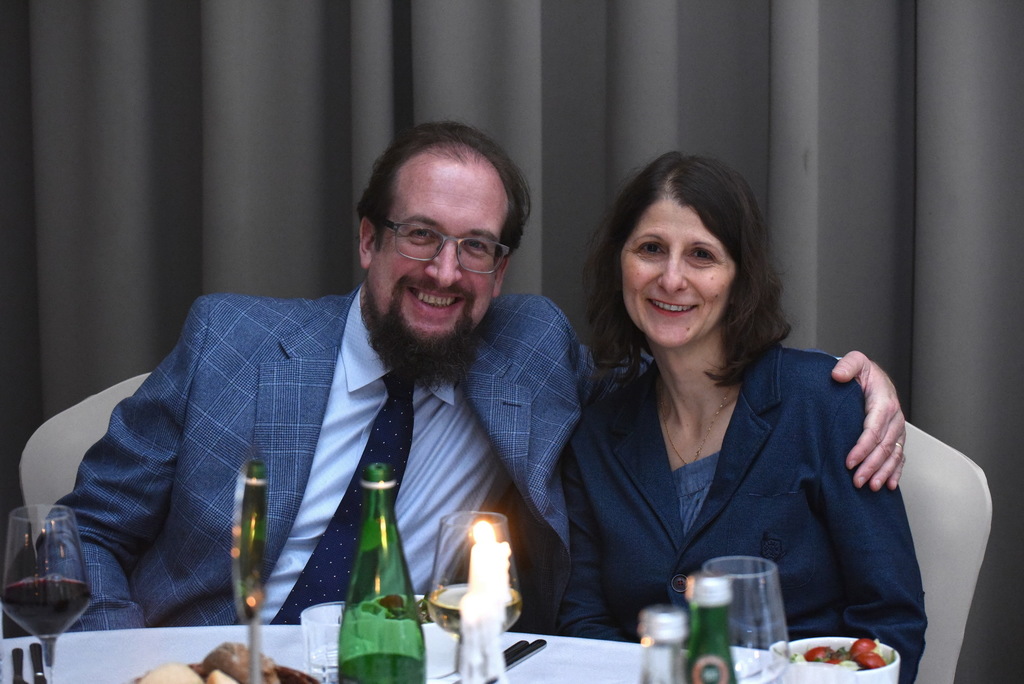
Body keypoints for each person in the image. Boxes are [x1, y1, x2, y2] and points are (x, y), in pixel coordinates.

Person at [59, 122, 907, 635]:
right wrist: (122, 659)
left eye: (475, 248)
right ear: (368, 239)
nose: (444, 271)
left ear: (500, 271)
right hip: (209, 662)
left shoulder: (529, 352)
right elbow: (84, 529)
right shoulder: (230, 341)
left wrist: (856, 383)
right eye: (420, 235)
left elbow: (683, 375)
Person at [556, 153, 925, 682]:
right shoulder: (596, 435)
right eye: (651, 249)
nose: (671, 278)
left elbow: (890, 622)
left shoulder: (822, 404)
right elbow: (585, 624)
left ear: (739, 278)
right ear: (621, 263)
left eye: (702, 255)